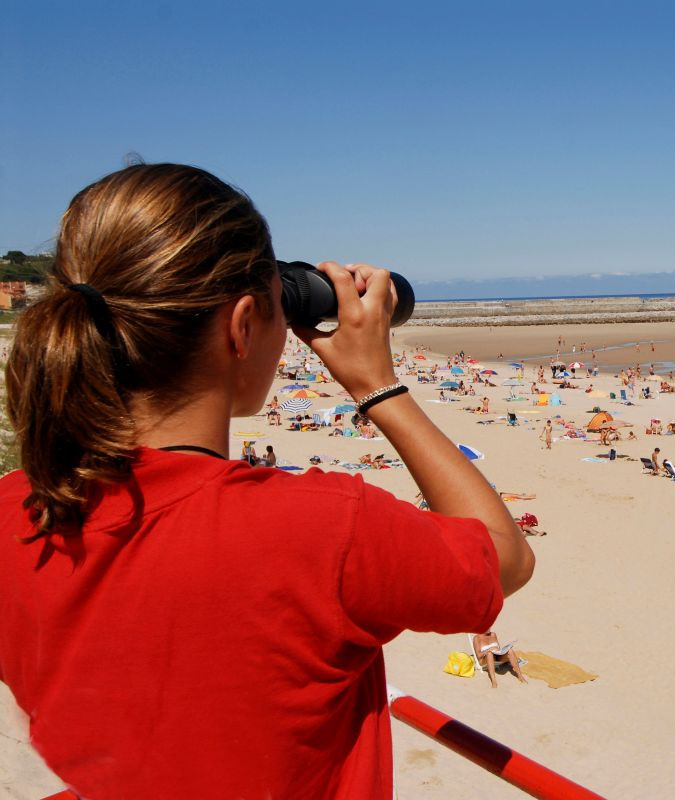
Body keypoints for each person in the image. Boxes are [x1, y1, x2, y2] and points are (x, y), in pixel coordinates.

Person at [0, 164, 535, 797]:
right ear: (243, 325)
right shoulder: (323, 527)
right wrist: (376, 386)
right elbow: (504, 557)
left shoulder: (17, 514)